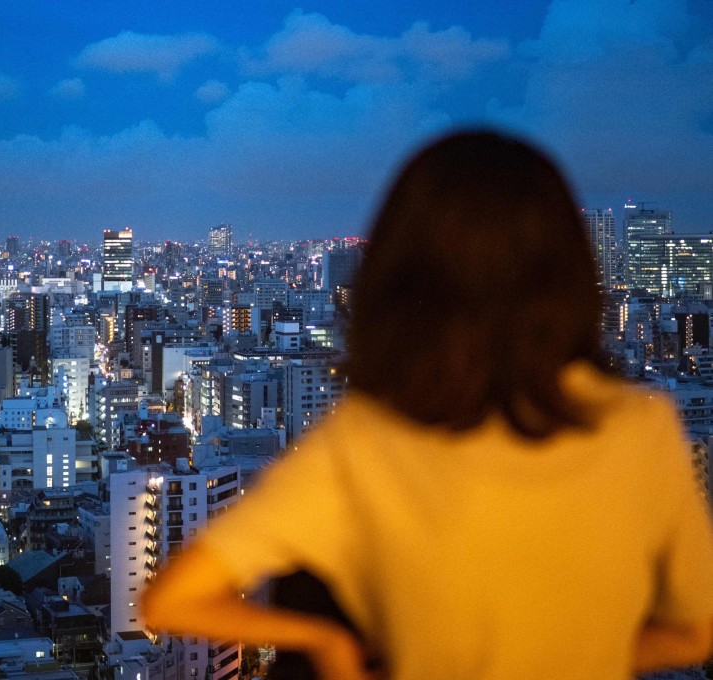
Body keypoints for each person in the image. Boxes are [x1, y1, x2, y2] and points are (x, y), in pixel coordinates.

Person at [141, 131, 713, 679]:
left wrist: (327, 641)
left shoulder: (369, 439)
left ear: (401, 278)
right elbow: (696, 633)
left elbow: (173, 601)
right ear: (569, 270)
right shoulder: (640, 426)